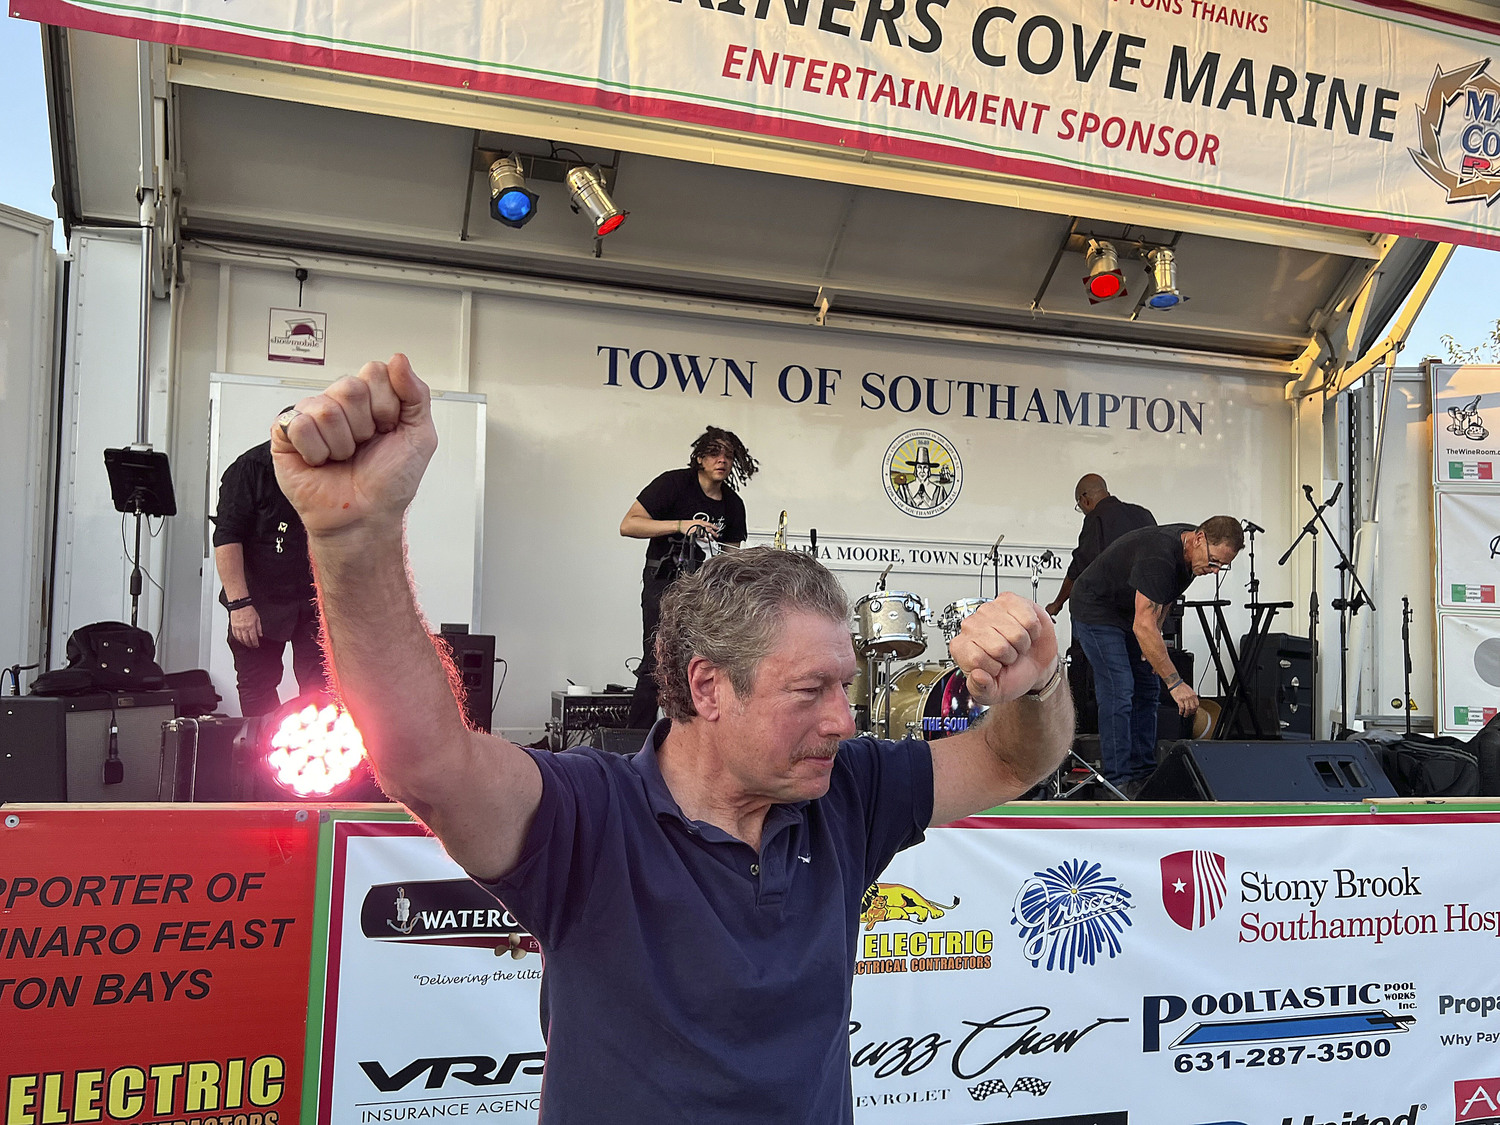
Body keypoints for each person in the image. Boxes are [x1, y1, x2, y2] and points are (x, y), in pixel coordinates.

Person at [270, 355, 1074, 1124]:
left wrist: (1042, 678)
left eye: (845, 684)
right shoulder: (590, 816)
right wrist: (357, 541)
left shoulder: (846, 794)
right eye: (810, 691)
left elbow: (1012, 756)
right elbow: (427, 760)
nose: (845, 718)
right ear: (707, 686)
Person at [1068, 517, 1244, 796]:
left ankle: (1143, 773)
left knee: (1148, 687)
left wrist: (1154, 645)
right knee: (1119, 688)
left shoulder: (1190, 556)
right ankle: (1118, 779)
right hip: (1095, 609)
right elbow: (1143, 624)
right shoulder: (1159, 556)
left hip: (1129, 614)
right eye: (1213, 561)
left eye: (1222, 566)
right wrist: (1176, 683)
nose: (1214, 570)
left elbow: (1163, 598)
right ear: (1198, 538)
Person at [619, 427, 755, 729]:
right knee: (656, 661)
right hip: (664, 581)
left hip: (702, 592)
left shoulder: (733, 504)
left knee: (698, 664)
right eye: (715, 453)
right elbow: (629, 525)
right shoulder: (674, 484)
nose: (722, 460)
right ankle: (632, 742)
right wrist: (681, 525)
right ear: (700, 457)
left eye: (729, 456)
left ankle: (689, 737)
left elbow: (730, 560)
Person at [211, 436, 324, 716]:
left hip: (313, 600)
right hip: (258, 601)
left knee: (322, 691)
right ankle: (262, 757)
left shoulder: (327, 464)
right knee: (258, 688)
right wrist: (239, 606)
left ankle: (318, 757)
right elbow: (227, 537)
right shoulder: (250, 468)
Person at [1045, 474, 1155, 619]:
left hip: (1107, 614)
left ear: (1085, 500)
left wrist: (1057, 604)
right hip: (1142, 609)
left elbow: (1079, 567)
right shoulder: (1143, 514)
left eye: (1080, 507)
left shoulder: (1096, 518)